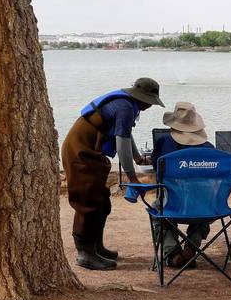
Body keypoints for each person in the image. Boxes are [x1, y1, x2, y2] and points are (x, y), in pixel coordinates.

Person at [61, 78, 164, 270]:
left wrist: (138, 158)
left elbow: (125, 134)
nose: (150, 106)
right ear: (143, 99)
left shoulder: (127, 105)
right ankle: (85, 253)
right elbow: (122, 143)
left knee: (102, 200)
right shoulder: (125, 107)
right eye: (150, 102)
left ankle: (96, 247)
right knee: (88, 201)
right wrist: (132, 177)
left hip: (92, 152)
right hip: (79, 151)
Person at [151, 102, 214, 269]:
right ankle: (191, 248)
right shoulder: (210, 149)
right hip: (204, 208)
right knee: (204, 204)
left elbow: (157, 173)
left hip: (173, 205)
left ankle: (172, 253)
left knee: (158, 209)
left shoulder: (164, 144)